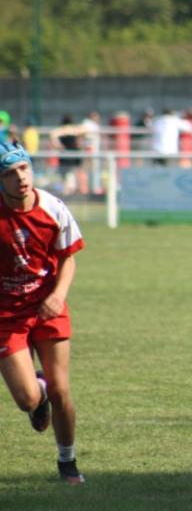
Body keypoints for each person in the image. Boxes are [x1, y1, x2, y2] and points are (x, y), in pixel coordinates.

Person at [0, 140, 86, 485]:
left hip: (48, 306)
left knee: (62, 389)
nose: (21, 177)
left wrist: (58, 294)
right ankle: (38, 390)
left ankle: (68, 463)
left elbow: (68, 257)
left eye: (24, 168)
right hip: (7, 315)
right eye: (9, 173)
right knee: (27, 400)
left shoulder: (53, 207)